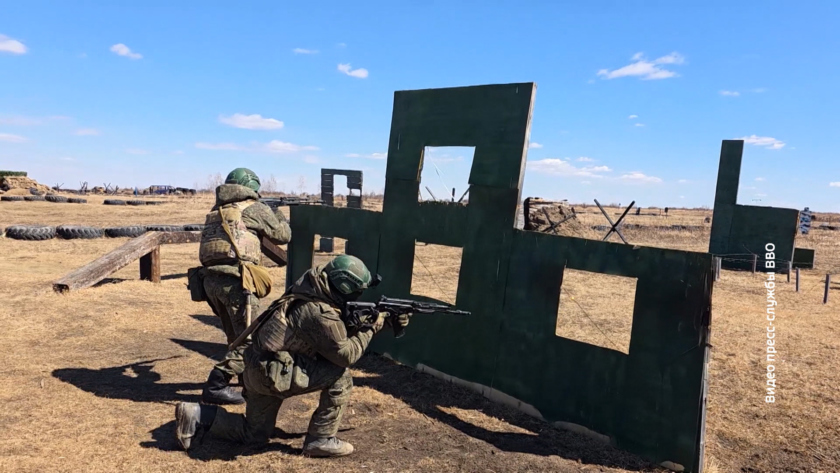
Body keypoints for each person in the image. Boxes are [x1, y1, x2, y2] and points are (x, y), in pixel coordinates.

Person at [175, 255, 410, 458]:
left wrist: (372, 321)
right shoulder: (319, 312)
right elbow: (345, 355)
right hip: (273, 374)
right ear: (345, 288)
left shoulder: (307, 289)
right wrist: (373, 328)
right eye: (357, 291)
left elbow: (327, 334)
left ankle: (197, 414)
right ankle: (321, 439)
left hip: (259, 368)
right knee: (340, 376)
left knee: (253, 435)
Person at [196, 167, 292, 405]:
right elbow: (283, 235)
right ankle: (216, 385)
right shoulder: (254, 208)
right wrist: (276, 213)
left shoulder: (218, 210)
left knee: (235, 337)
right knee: (250, 339)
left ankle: (244, 382)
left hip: (210, 282)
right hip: (238, 282)